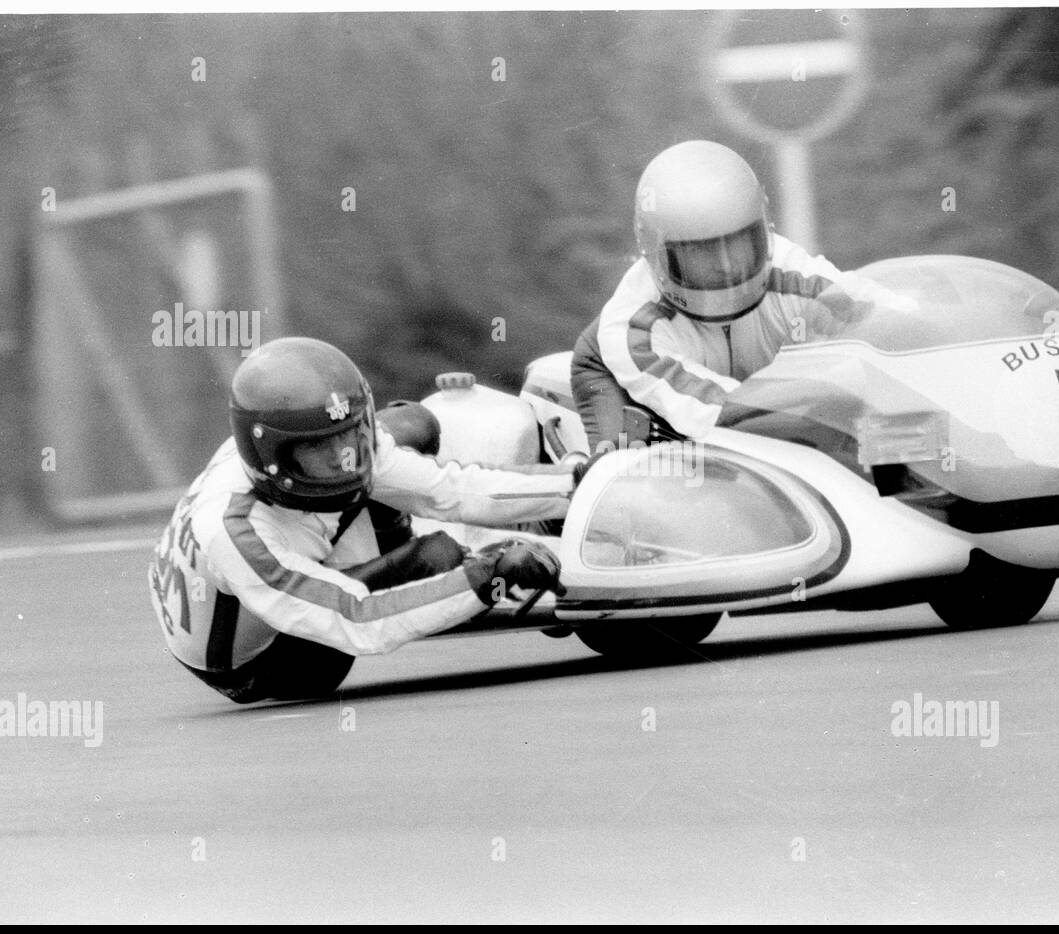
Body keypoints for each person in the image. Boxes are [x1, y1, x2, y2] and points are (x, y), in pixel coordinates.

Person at [148, 336, 575, 704]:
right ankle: (432, 564)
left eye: (351, 434)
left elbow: (448, 490)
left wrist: (574, 483)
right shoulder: (236, 530)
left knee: (414, 426)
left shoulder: (331, 448)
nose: (343, 459)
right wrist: (487, 577)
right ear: (271, 458)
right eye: (318, 449)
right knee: (438, 555)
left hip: (290, 562)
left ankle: (404, 549)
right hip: (265, 662)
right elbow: (358, 616)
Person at [571, 139, 855, 451]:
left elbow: (877, 312)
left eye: (738, 243)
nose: (726, 265)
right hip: (614, 379)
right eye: (702, 252)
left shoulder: (791, 272)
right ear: (659, 255)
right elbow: (724, 412)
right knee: (626, 468)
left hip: (754, 395)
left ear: (762, 232)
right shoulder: (633, 329)